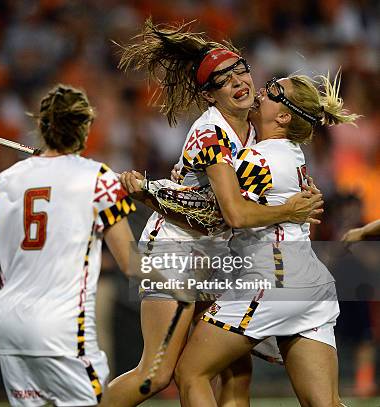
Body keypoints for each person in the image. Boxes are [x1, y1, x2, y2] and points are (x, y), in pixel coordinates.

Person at [102, 20, 323, 407]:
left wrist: (298, 196)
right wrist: (291, 208)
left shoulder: (256, 130)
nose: (238, 81)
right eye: (223, 80)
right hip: (175, 248)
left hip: (217, 253)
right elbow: (232, 213)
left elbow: (233, 204)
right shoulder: (211, 134)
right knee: (156, 375)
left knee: (237, 374)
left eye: (241, 70)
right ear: (209, 96)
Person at [0, 84, 145, 406]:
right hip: (62, 331)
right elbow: (132, 263)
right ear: (85, 129)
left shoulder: (7, 180)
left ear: (42, 127)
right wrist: (198, 270)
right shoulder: (100, 179)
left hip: (10, 327)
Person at [175, 73, 359, 406]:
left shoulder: (259, 159)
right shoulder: (290, 153)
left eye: (274, 91)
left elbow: (220, 211)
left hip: (271, 281)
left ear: (285, 115)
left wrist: (158, 189)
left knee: (191, 374)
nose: (262, 90)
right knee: (325, 403)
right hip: (310, 285)